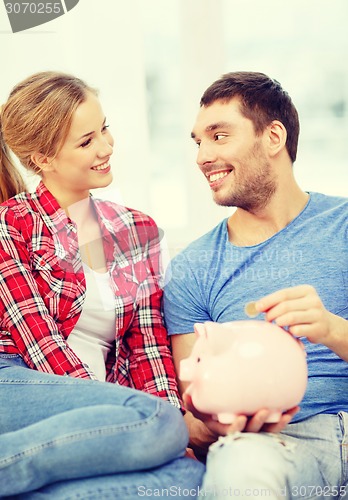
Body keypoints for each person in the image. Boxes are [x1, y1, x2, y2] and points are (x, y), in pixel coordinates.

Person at [0, 71, 205, 498]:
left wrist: (166, 421)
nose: (106, 147)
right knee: (162, 424)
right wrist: (142, 415)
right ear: (43, 158)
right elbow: (39, 341)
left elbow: (147, 343)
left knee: (185, 480)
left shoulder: (136, 229)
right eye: (86, 141)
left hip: (96, 409)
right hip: (18, 382)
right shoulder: (12, 224)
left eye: (105, 129)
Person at [163, 71, 348, 498]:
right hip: (274, 446)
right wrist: (217, 419)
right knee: (241, 466)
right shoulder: (193, 268)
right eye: (198, 141)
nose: (202, 156)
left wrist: (332, 329)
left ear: (273, 137)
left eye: (219, 136)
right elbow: (196, 408)